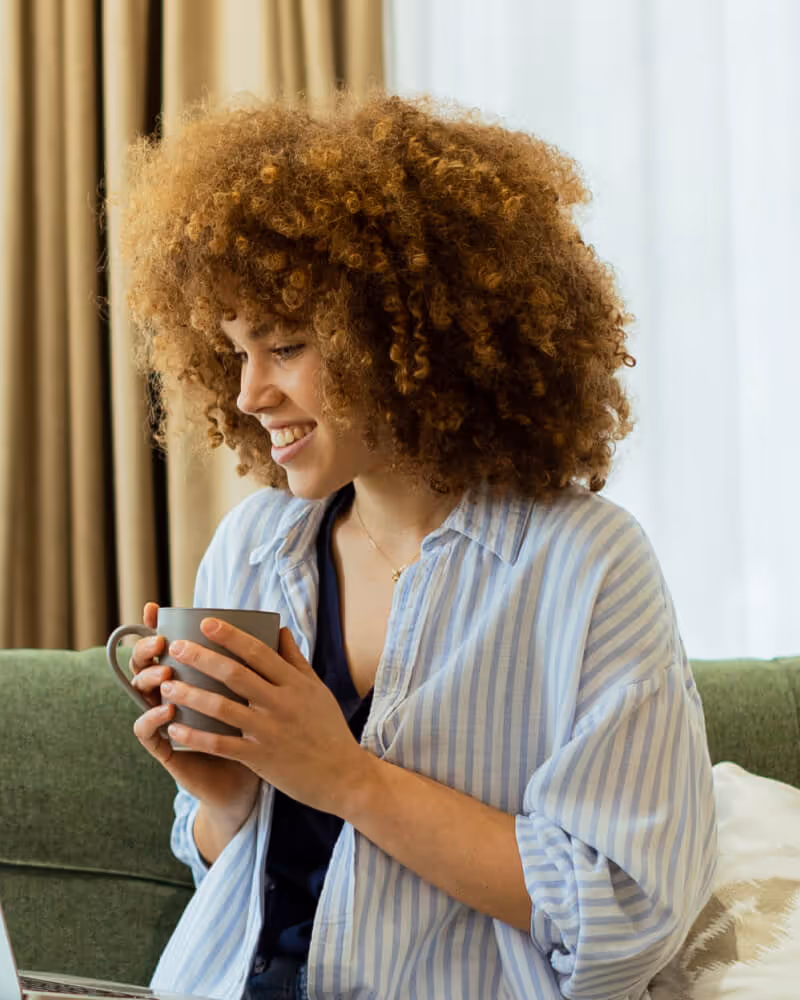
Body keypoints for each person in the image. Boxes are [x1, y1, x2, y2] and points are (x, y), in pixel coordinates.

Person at [116, 91, 717, 1000]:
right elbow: (229, 890)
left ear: (410, 334)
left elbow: (626, 916)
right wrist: (227, 800)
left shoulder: (586, 565)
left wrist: (347, 778)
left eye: (285, 345)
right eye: (235, 352)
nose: (248, 394)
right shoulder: (253, 545)